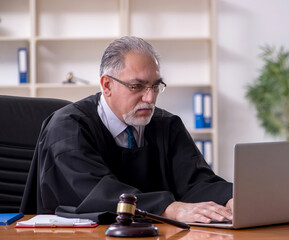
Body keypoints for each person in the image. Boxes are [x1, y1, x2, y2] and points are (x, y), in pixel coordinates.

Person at [20, 36, 233, 224]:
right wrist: (169, 208)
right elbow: (94, 193)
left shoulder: (167, 125)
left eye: (155, 86)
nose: (150, 98)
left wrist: (232, 199)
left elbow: (196, 182)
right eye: (137, 86)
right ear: (107, 86)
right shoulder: (67, 128)